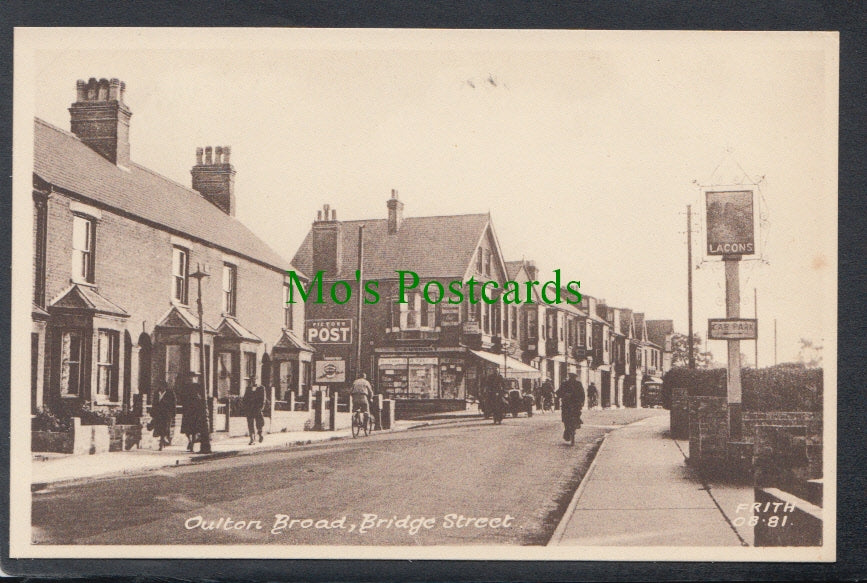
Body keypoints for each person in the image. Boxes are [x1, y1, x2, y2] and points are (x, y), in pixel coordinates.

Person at [556, 372, 586, 445]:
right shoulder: (566, 384)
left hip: (573, 404)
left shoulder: (576, 384)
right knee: (566, 418)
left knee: (575, 415)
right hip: (569, 404)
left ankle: (576, 424)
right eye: (571, 377)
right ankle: (568, 429)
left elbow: (582, 394)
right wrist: (563, 395)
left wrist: (581, 402)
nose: (572, 378)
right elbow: (558, 392)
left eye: (573, 377)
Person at [151, 380, 176, 451]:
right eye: (160, 386)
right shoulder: (157, 393)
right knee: (159, 428)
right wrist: (153, 412)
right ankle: (163, 441)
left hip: (167, 414)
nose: (161, 388)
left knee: (165, 428)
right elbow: (154, 403)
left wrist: (173, 413)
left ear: (165, 387)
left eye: (162, 386)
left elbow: (173, 404)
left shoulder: (170, 393)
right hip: (158, 414)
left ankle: (161, 444)